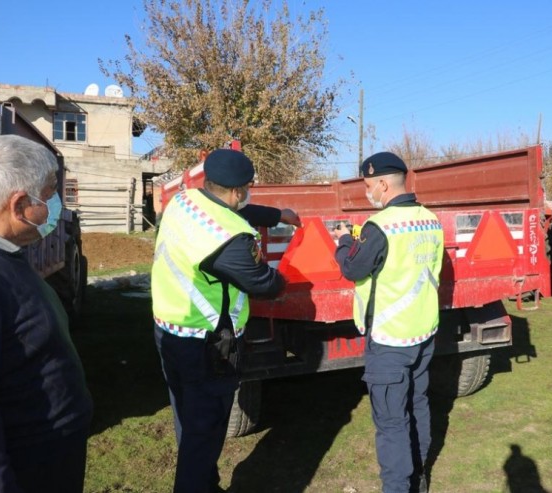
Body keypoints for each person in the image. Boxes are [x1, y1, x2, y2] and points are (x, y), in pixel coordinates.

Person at [151, 148, 299, 493]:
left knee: (188, 418)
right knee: (205, 432)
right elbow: (263, 283)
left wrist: (280, 214)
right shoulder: (230, 238)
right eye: (246, 190)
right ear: (237, 191)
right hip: (207, 346)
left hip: (168, 328)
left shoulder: (185, 201)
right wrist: (290, 276)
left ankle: (204, 482)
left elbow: (238, 208)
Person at [0, 135, 93, 493]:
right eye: (49, 194)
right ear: (19, 205)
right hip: (26, 472)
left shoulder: (0, 255)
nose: (55, 205)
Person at [334, 152, 444, 493]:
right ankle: (419, 478)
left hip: (390, 341)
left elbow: (353, 268)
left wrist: (343, 241)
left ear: (382, 184)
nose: (368, 192)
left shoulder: (379, 226)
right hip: (423, 332)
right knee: (418, 406)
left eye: (369, 185)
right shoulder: (430, 218)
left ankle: (398, 488)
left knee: (392, 422)